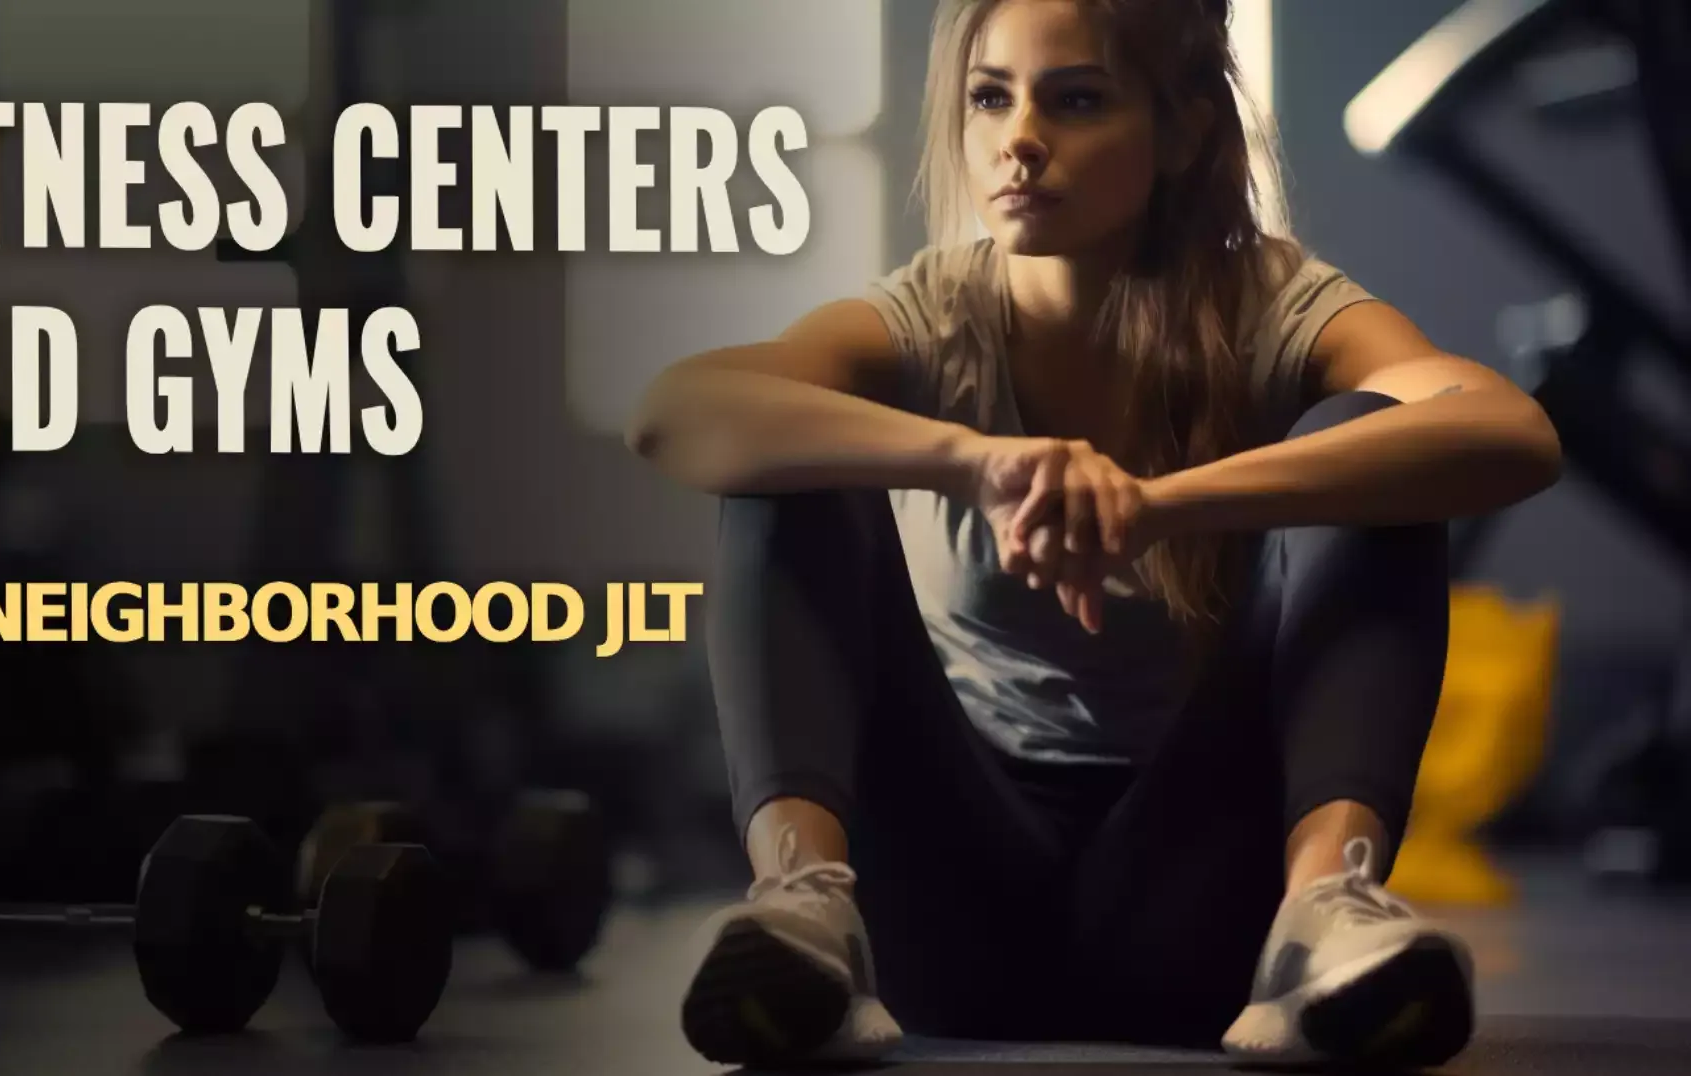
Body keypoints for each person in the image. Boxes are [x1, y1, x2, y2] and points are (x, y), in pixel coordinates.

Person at [626, 0, 1562, 1068]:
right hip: (950, 914)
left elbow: (1508, 430)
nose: (1019, 138)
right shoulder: (935, 312)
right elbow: (675, 408)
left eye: (1075, 99)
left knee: (1380, 447)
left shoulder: (1273, 303)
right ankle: (803, 910)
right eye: (991, 96)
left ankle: (1327, 915)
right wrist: (980, 462)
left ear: (1186, 128)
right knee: (780, 451)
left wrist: (1164, 502)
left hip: (1208, 911)